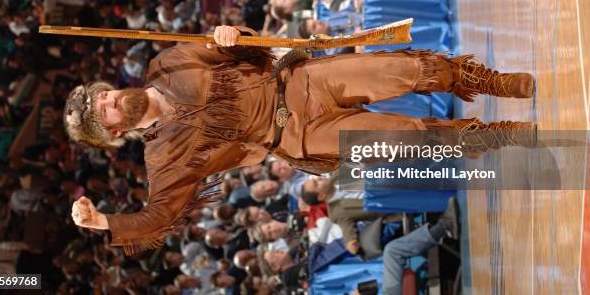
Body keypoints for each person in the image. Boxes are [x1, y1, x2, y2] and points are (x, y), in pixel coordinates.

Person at [65, 25, 535, 255]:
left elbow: (241, 45)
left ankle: (491, 81)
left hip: (299, 82)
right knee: (409, 138)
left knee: (406, 69)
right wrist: (105, 221)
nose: (109, 105)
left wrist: (232, 37)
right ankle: (495, 135)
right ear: (115, 134)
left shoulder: (167, 64)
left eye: (103, 99)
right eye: (103, 116)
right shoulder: (163, 157)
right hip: (297, 136)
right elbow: (158, 216)